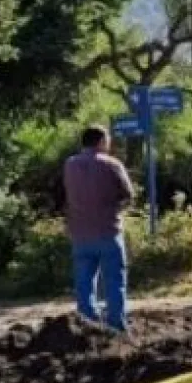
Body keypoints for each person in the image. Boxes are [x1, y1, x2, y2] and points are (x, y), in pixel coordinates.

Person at [61, 125, 134, 332]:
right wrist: (115, 208)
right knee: (114, 281)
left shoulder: (69, 164)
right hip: (108, 231)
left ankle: (88, 325)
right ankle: (116, 326)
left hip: (80, 233)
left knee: (84, 283)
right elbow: (128, 194)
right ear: (101, 141)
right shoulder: (111, 164)